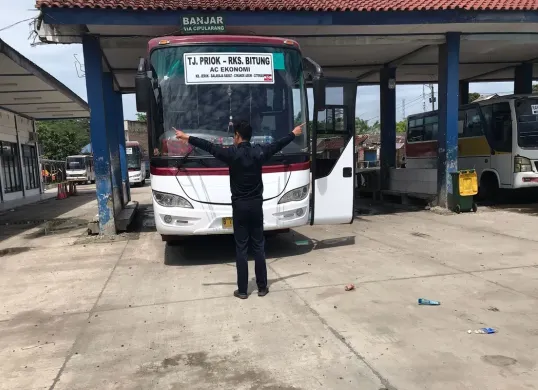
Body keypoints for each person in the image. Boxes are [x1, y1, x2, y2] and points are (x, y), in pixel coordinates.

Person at [175, 120, 304, 299]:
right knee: (259, 246)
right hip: (256, 206)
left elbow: (209, 146)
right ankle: (262, 287)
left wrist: (186, 137)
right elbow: (277, 145)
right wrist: (293, 133)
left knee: (241, 248)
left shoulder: (231, 154)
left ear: (237, 136)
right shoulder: (259, 151)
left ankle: (242, 290)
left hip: (239, 207)